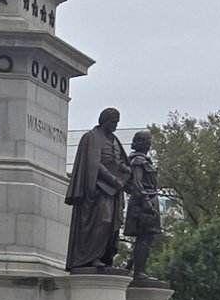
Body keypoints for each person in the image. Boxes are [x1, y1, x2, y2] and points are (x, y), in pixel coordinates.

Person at [65, 108, 131, 270]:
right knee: (103, 220)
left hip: (114, 191)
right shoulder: (91, 138)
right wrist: (111, 178)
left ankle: (103, 256)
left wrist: (125, 170)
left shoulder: (115, 140)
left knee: (112, 224)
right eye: (112, 122)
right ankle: (91, 256)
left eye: (117, 123)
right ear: (104, 121)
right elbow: (94, 163)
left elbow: (118, 160)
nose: (115, 126)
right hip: (97, 189)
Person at [124, 129, 162, 278]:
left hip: (150, 199)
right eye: (146, 142)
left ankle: (135, 267)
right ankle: (138, 271)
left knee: (148, 238)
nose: (149, 145)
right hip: (143, 202)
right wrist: (146, 201)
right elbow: (136, 183)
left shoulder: (145, 160)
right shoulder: (138, 160)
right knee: (144, 237)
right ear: (140, 143)